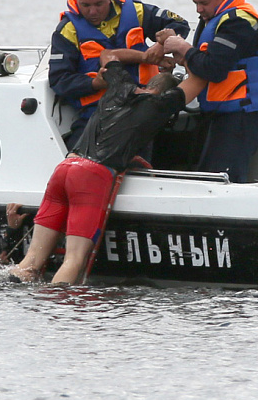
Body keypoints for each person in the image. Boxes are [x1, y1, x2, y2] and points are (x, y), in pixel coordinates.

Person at [13, 51, 207, 285]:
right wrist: (187, 55)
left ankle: (14, 287)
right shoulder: (162, 105)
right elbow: (202, 77)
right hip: (91, 176)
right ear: (168, 93)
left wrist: (150, 56)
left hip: (65, 166)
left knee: (32, 260)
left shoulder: (120, 85)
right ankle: (58, 315)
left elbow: (108, 55)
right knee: (74, 259)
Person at [50, 0, 190, 148]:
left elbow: (179, 24)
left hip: (142, 107)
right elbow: (59, 80)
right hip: (97, 113)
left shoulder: (136, 12)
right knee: (77, 158)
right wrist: (95, 83)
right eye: (85, 5)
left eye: (99, 4)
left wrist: (162, 45)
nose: (92, 11)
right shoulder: (67, 30)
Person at [162, 0, 258, 183]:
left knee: (223, 179)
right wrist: (185, 58)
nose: (199, 9)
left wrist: (185, 48)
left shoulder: (239, 22)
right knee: (209, 174)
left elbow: (214, 68)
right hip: (222, 114)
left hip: (243, 115)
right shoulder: (215, 17)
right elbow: (206, 62)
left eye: (203, 2)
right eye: (195, 3)